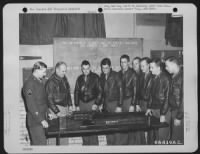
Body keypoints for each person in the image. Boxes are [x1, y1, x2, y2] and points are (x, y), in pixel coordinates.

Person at [74, 60, 102, 145]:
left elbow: (100, 92)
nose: (86, 70)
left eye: (87, 68)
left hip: (92, 104)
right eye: (84, 69)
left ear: (90, 68)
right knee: (83, 126)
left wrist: (96, 103)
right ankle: (86, 145)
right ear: (81, 69)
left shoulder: (95, 77)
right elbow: (76, 92)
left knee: (93, 126)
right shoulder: (79, 78)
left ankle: (94, 146)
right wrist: (77, 105)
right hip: (82, 104)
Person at [22, 61, 49, 145]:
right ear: (37, 70)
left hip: (41, 119)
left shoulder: (39, 82)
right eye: (44, 72)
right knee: (41, 145)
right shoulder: (29, 83)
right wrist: (41, 120)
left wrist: (47, 113)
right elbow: (31, 104)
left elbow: (42, 101)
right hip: (35, 121)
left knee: (40, 145)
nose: (45, 74)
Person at [145, 58, 171, 144]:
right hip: (154, 110)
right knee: (155, 136)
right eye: (150, 67)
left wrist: (163, 114)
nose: (150, 69)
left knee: (162, 137)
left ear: (158, 68)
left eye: (152, 67)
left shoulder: (166, 79)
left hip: (163, 110)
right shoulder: (153, 78)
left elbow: (167, 98)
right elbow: (151, 95)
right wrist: (149, 107)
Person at [118, 54, 142, 145]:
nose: (122, 64)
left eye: (124, 62)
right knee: (124, 123)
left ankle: (133, 145)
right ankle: (126, 144)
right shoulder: (119, 73)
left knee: (131, 123)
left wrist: (133, 104)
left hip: (130, 100)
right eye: (121, 62)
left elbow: (136, 90)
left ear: (128, 62)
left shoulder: (133, 74)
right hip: (122, 101)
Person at [99, 58, 123, 145]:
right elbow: (101, 92)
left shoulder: (116, 75)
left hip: (114, 103)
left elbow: (121, 90)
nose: (104, 70)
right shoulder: (101, 76)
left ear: (110, 67)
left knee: (116, 126)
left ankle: (117, 147)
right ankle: (110, 146)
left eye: (106, 68)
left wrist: (119, 106)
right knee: (107, 127)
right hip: (106, 105)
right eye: (103, 68)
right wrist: (101, 103)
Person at [165, 56, 184, 144]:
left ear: (173, 65)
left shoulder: (182, 77)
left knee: (177, 140)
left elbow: (184, 99)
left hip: (179, 112)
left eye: (167, 66)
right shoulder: (174, 76)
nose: (166, 68)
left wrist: (179, 116)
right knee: (175, 138)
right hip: (174, 110)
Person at [139, 57, 153, 144]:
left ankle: (150, 145)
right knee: (143, 124)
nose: (141, 68)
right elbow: (138, 91)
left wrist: (149, 107)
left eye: (143, 66)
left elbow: (152, 94)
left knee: (150, 125)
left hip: (149, 104)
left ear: (148, 65)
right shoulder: (141, 76)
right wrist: (138, 104)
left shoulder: (153, 76)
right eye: (141, 66)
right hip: (142, 103)